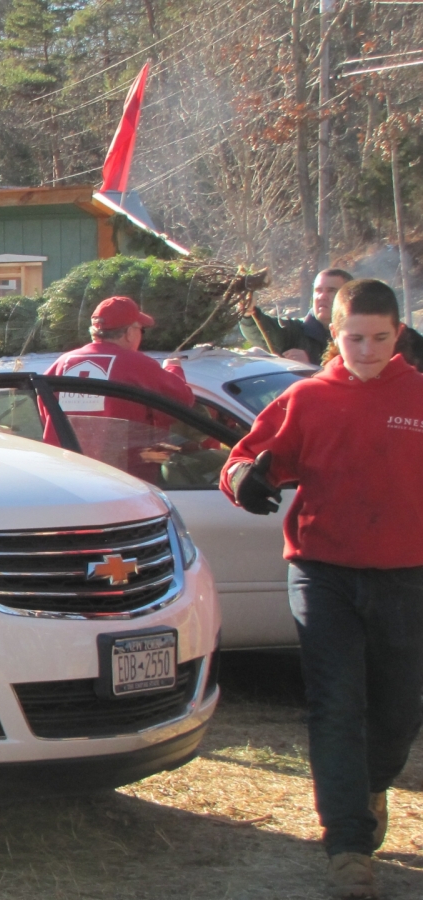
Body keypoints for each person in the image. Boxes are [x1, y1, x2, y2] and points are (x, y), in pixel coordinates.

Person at [222, 278, 423, 899]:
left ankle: (368, 786)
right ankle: (347, 846)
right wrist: (246, 482)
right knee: (337, 704)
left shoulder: (418, 395)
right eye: (354, 338)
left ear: (399, 335)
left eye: (381, 339)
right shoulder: (306, 398)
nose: (367, 350)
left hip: (406, 575)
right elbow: (243, 461)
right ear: (333, 334)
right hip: (321, 571)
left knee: (398, 709)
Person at [43, 296, 193, 480]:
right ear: (129, 332)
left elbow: (44, 412)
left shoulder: (61, 363)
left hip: (66, 476)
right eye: (141, 329)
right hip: (124, 480)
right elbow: (182, 402)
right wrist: (174, 368)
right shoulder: (137, 364)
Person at [240, 268, 350, 365]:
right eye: (318, 290)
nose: (322, 296)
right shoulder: (295, 332)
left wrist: (312, 366)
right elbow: (266, 333)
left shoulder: (360, 335)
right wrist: (249, 313)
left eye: (331, 291)